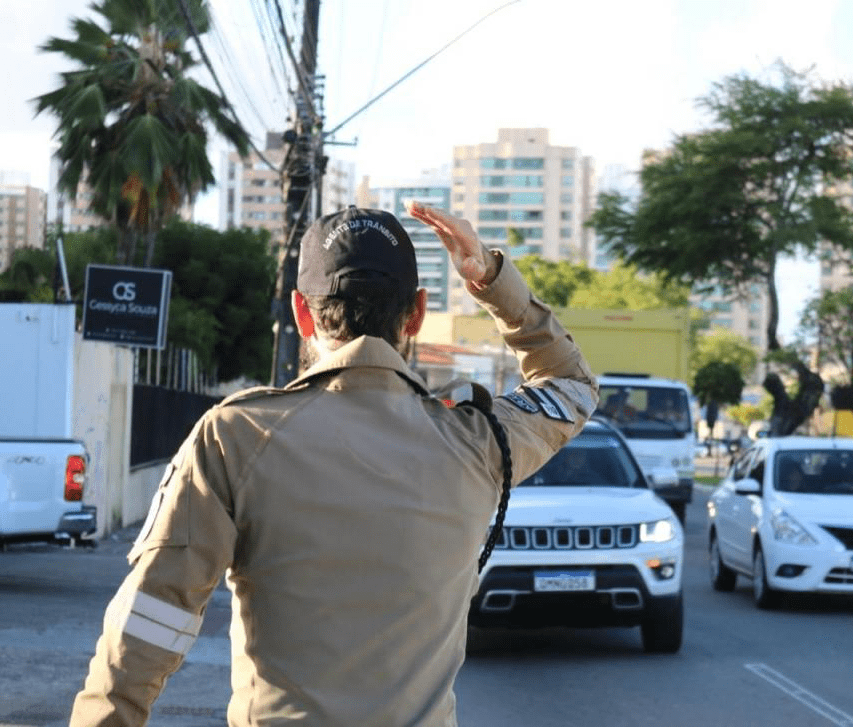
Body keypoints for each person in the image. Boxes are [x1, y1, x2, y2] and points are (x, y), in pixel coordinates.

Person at [69, 202, 598, 726]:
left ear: (301, 313)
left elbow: (150, 621)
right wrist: (490, 279)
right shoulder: (478, 441)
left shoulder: (237, 436)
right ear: (416, 313)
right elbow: (571, 385)